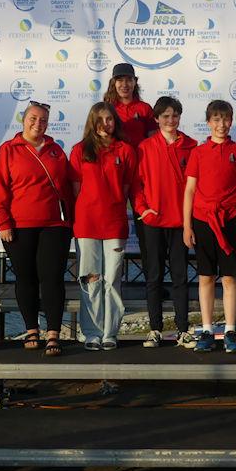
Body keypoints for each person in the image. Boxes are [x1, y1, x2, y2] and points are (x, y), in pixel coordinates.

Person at [0, 101, 73, 357]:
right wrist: (3, 222)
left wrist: (70, 221)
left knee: (52, 278)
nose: (38, 124)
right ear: (23, 120)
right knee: (26, 278)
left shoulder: (56, 151)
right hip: (19, 226)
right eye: (33, 118)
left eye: (44, 120)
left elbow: (68, 189)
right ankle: (31, 329)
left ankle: (53, 333)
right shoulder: (7, 150)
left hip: (54, 226)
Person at [183, 100, 236, 353]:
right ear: (208, 122)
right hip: (203, 221)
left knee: (230, 278)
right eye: (216, 119)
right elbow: (190, 190)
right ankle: (208, 329)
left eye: (225, 119)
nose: (221, 124)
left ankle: (231, 330)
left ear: (231, 121)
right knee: (205, 277)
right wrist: (187, 226)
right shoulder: (198, 153)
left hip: (232, 220)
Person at [69, 103, 137, 351]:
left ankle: (110, 332)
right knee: (91, 281)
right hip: (87, 225)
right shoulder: (80, 150)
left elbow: (127, 188)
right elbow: (76, 190)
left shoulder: (126, 150)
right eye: (101, 119)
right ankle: (92, 333)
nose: (106, 124)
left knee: (112, 281)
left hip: (114, 225)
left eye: (110, 119)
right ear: (93, 122)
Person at [134, 96, 198, 349]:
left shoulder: (191, 146)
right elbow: (136, 185)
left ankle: (183, 329)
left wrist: (190, 219)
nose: (171, 121)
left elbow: (197, 186)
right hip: (153, 222)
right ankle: (155, 329)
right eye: (166, 116)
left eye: (175, 116)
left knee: (180, 277)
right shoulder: (145, 147)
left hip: (181, 222)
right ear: (157, 119)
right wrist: (143, 210)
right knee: (154, 276)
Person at [103, 62, 157, 282]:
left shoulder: (144, 109)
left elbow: (154, 141)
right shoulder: (107, 108)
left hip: (140, 174)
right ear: (113, 83)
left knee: (146, 227)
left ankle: (151, 280)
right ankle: (111, 278)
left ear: (135, 82)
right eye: (120, 80)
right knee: (111, 222)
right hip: (114, 172)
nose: (124, 84)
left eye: (128, 80)